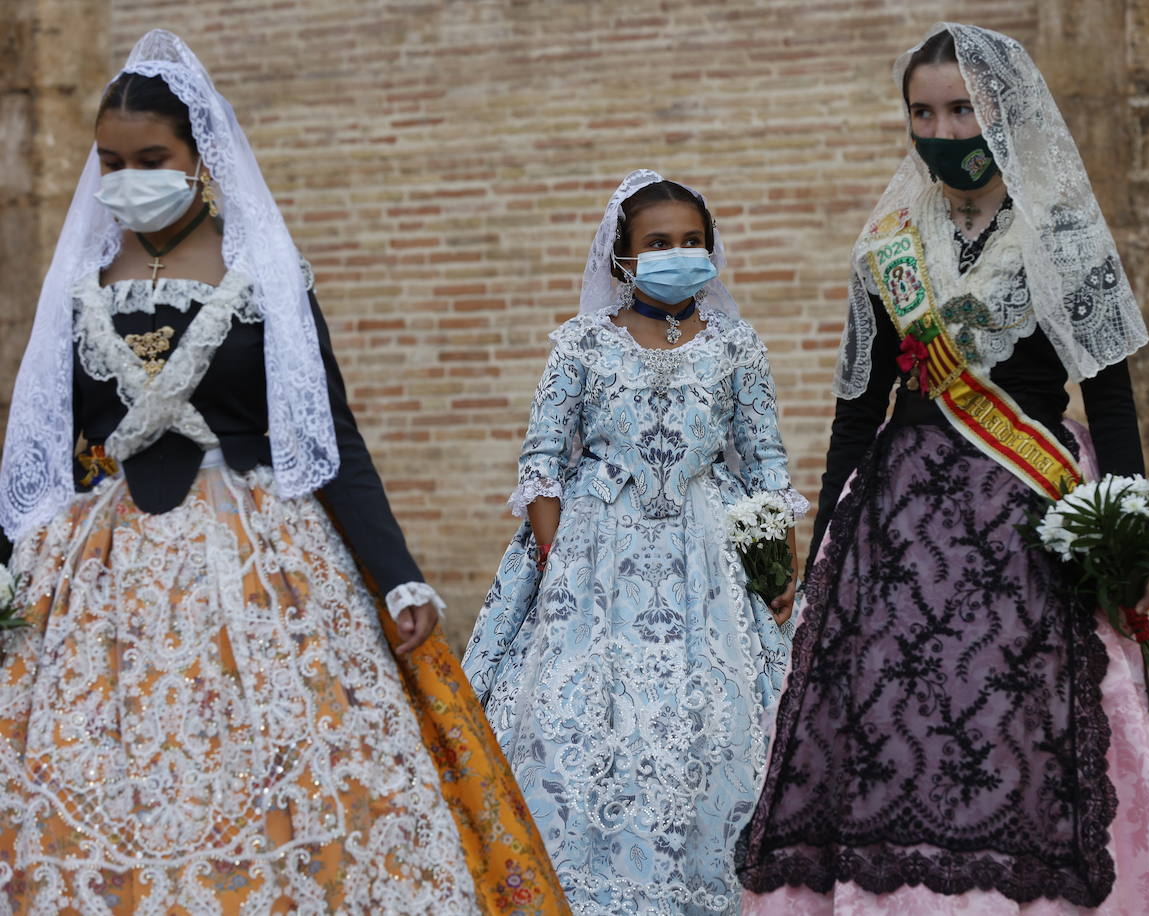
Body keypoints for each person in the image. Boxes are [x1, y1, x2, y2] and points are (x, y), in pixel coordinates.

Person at [0, 30, 568, 915]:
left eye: (152, 158)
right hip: (102, 578)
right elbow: (43, 446)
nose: (127, 179)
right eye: (110, 162)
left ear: (200, 158)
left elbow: (329, 433)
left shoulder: (264, 275)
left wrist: (397, 575)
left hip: (262, 565)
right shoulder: (81, 282)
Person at [735, 23, 1149, 915]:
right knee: (896, 728)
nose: (943, 129)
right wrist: (826, 557)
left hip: (1032, 516)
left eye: (963, 108)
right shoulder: (887, 246)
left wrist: (1124, 527)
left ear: (1002, 110)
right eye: (923, 112)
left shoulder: (1061, 235)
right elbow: (858, 417)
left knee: (1027, 717)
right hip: (898, 532)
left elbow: (1113, 400)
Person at [464, 169, 806, 915]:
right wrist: (560, 570)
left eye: (691, 241)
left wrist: (778, 558)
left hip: (709, 560)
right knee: (574, 723)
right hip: (594, 559)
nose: (676, 253)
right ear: (622, 257)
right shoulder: (581, 345)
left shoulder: (737, 346)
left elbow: (766, 463)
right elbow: (542, 465)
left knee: (718, 728)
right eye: (657, 243)